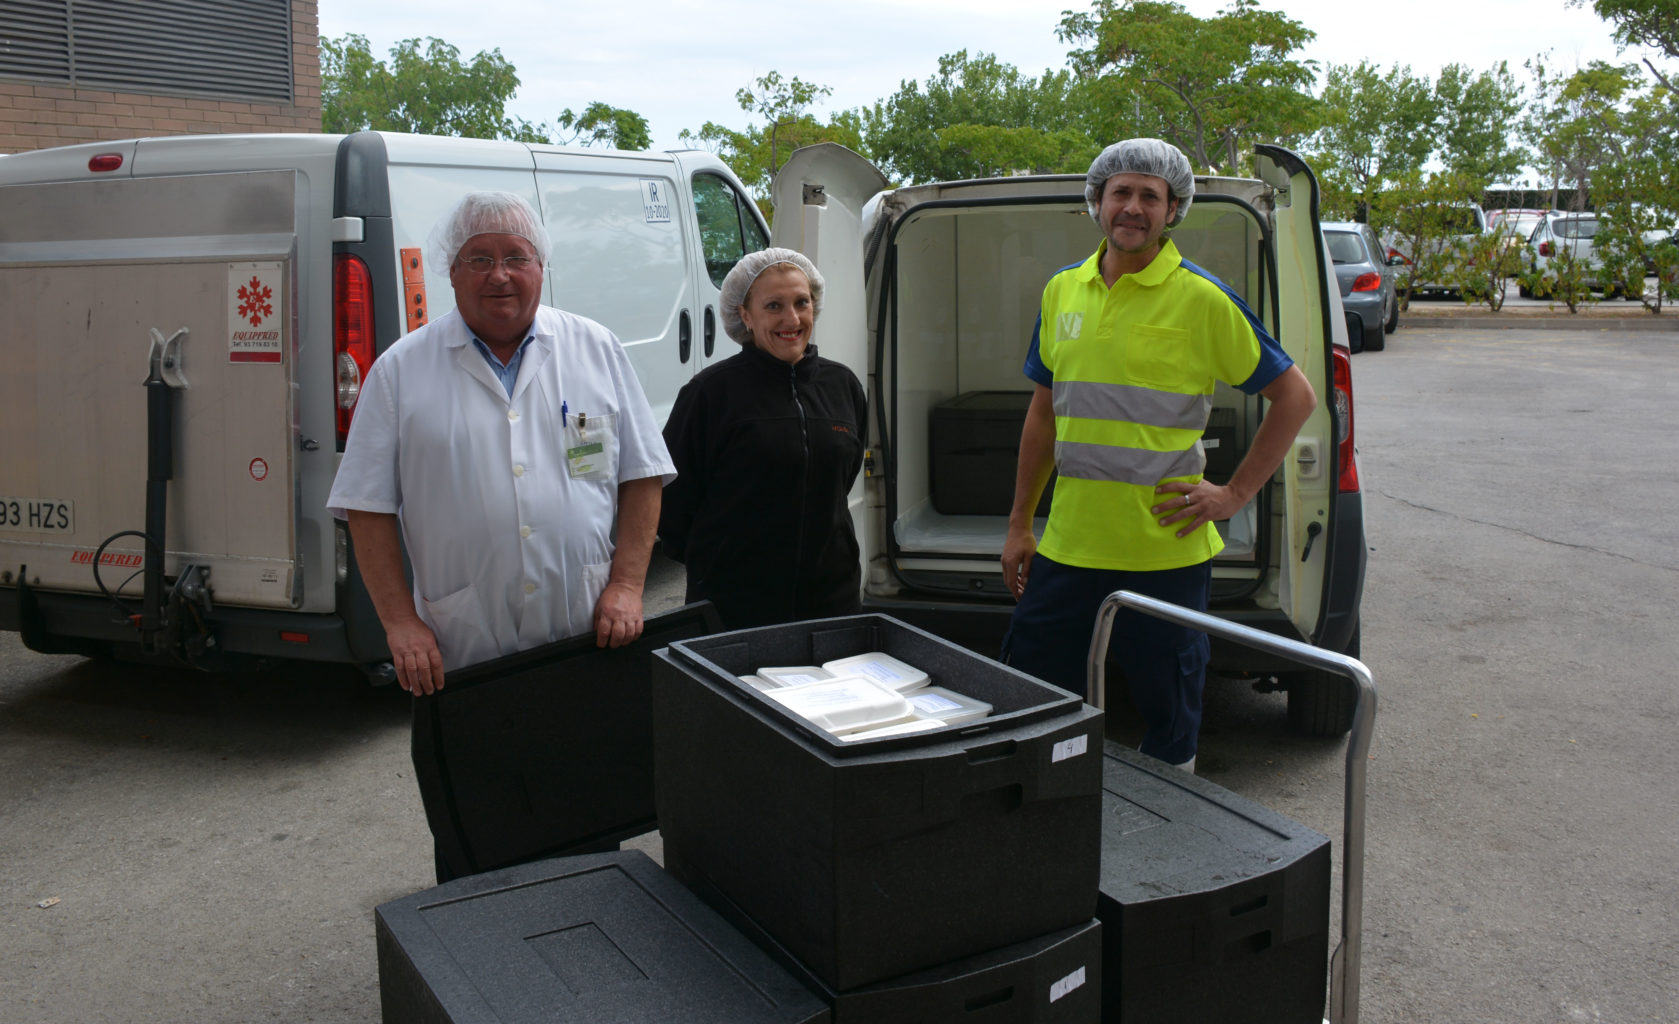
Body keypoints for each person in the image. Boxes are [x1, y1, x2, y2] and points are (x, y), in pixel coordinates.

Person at [1000, 139, 1318, 773]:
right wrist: (1018, 525)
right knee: (1027, 698)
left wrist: (1233, 495)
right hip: (1067, 546)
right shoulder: (1062, 291)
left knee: (1170, 714)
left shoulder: (1202, 298)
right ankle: (1040, 819)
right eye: (1121, 192)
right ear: (1097, 201)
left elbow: (1296, 397)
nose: (1133, 208)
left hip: (1164, 553)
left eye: (1151, 196)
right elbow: (1044, 412)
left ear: (1174, 209)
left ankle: (1171, 841)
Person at [326, 191, 675, 696]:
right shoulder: (400, 371)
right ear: (451, 270)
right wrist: (400, 622)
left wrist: (625, 587)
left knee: (594, 770)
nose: (499, 274)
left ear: (541, 264)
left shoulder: (596, 349)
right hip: (462, 646)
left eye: (516, 257)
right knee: (476, 772)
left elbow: (642, 475)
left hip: (590, 635)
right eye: (480, 259)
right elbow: (366, 507)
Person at [658, 248, 867, 630]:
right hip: (733, 607)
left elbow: (842, 479)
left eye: (801, 303)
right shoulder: (710, 393)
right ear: (745, 315)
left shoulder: (843, 386)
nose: (792, 319)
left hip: (832, 599)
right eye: (774, 306)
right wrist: (720, 559)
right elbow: (672, 502)